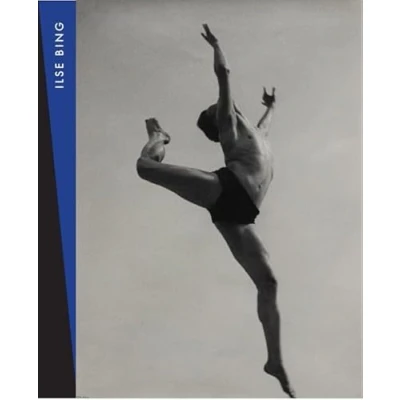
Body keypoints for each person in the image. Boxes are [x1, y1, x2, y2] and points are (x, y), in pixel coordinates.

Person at [136, 24, 296, 398]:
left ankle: (274, 361)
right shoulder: (227, 124)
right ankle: (158, 137)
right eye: (215, 108)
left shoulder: (256, 134)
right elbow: (223, 75)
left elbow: (265, 127)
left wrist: (271, 107)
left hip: (240, 214)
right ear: (217, 119)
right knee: (145, 167)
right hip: (225, 188)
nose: (218, 105)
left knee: (269, 283)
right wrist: (216, 44)